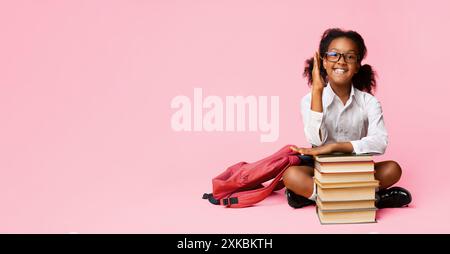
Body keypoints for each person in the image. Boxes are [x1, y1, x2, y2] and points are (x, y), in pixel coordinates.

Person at [284, 28, 412, 209]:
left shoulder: (369, 102)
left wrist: (336, 146)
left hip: (356, 170)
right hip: (322, 170)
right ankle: (373, 198)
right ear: (324, 62)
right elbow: (314, 140)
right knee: (291, 175)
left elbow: (380, 142)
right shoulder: (308, 100)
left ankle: (314, 197)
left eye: (350, 57)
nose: (341, 61)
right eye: (334, 55)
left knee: (393, 169)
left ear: (357, 65)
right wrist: (317, 91)